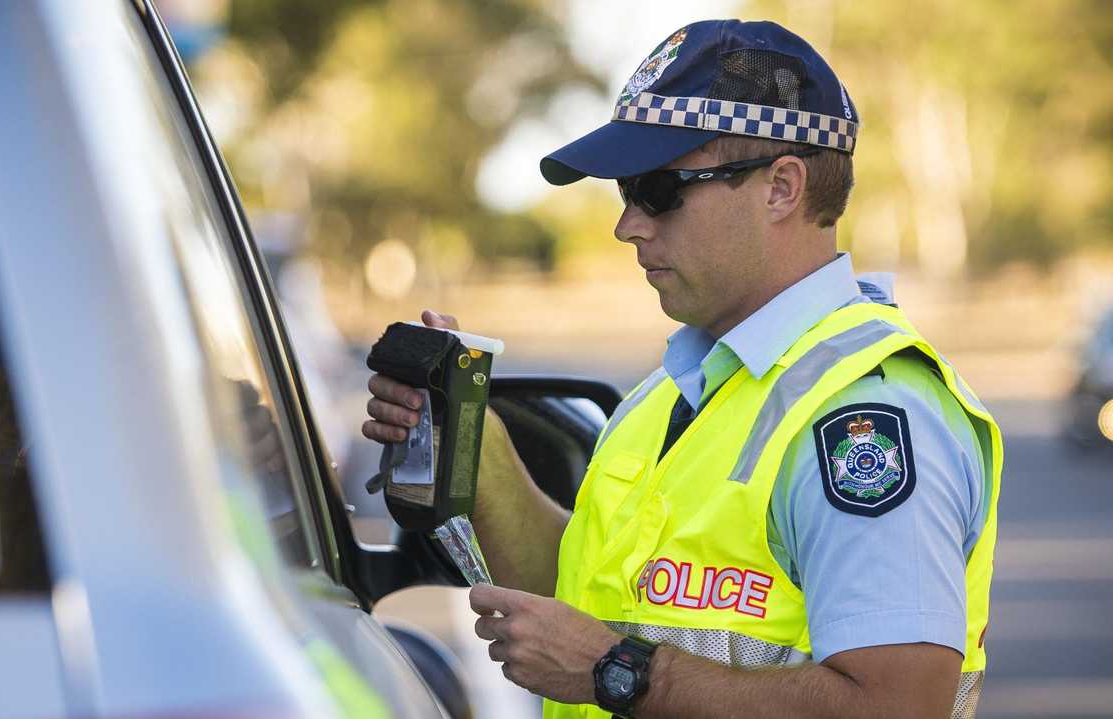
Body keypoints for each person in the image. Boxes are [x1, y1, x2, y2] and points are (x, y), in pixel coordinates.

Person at [362, 19, 1002, 719]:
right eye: (625, 193)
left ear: (781, 188)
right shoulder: (675, 386)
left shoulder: (863, 418)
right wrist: (473, 445)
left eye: (658, 190)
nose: (629, 224)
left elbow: (898, 705)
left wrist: (618, 672)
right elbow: (587, 598)